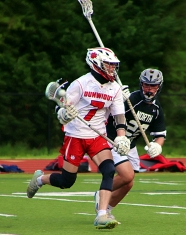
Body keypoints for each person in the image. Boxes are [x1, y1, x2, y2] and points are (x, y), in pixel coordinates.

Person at [26, 47, 130, 230]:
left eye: (114, 65)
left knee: (108, 170)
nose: (112, 69)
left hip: (97, 136)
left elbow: (119, 117)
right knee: (67, 181)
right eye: (108, 65)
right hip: (75, 136)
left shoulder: (115, 88)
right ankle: (41, 179)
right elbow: (62, 108)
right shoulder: (81, 84)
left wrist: (121, 138)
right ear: (96, 64)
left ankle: (102, 215)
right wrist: (64, 114)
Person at [94, 68, 167, 221]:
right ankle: (102, 193)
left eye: (153, 86)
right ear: (141, 84)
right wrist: (118, 98)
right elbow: (107, 110)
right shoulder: (130, 99)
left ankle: (107, 209)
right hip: (114, 140)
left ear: (159, 87)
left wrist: (157, 146)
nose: (149, 89)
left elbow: (160, 134)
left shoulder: (156, 109)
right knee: (127, 175)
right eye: (146, 85)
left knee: (128, 183)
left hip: (131, 146)